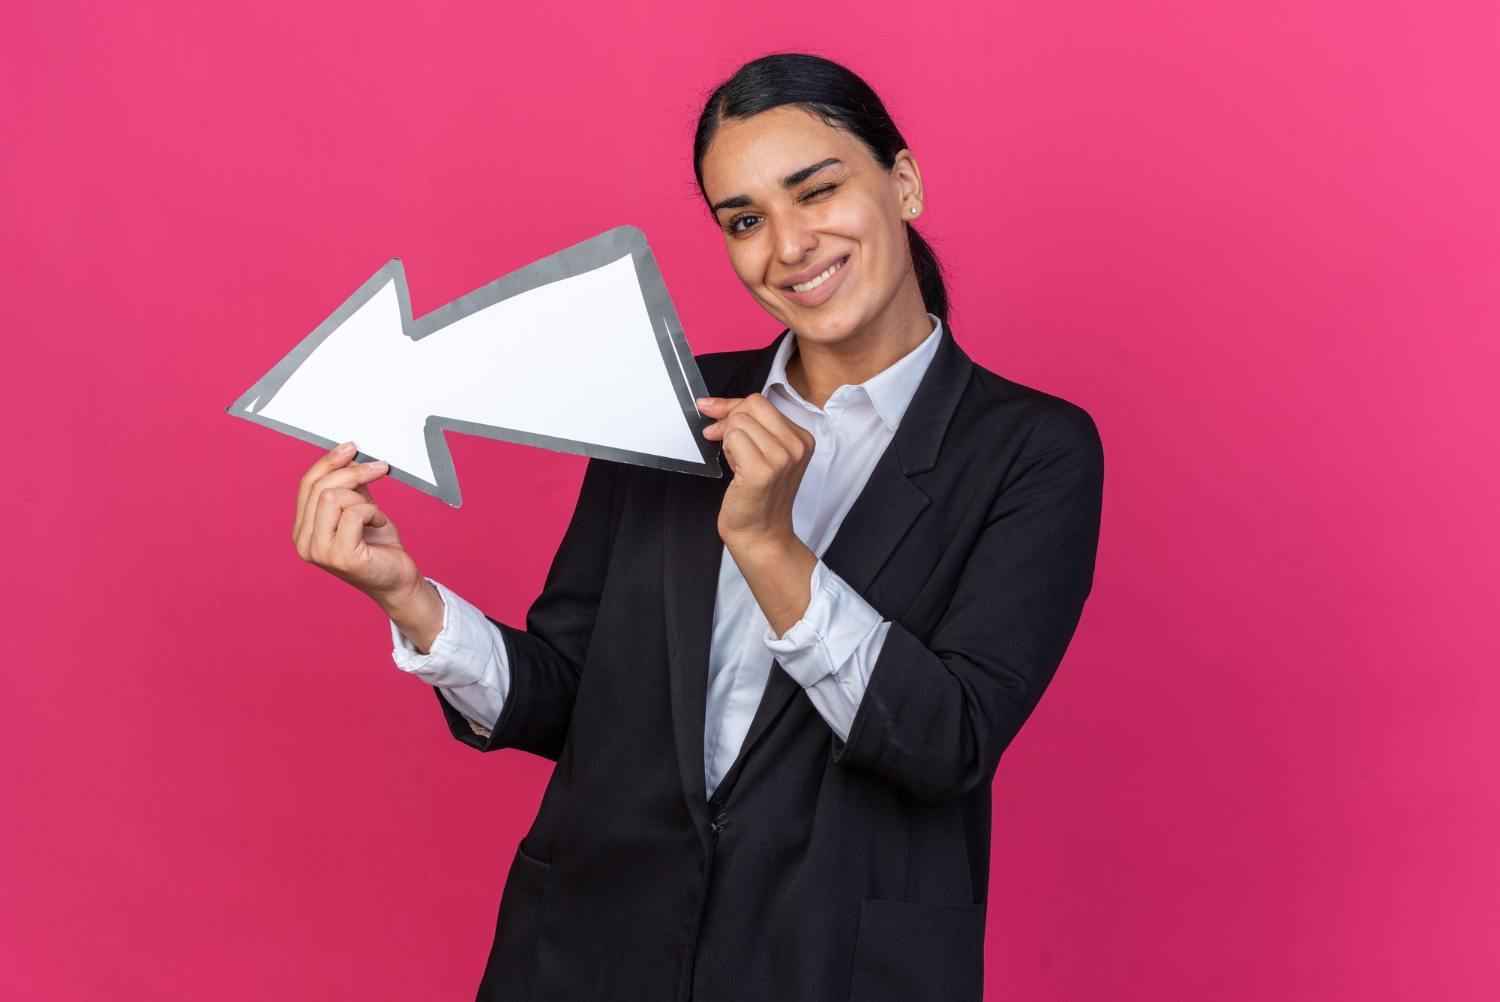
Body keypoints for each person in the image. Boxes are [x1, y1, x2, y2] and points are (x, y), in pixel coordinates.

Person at [292, 52, 1103, 1002]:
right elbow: (572, 699)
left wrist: (768, 546)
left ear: (905, 183)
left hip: (831, 963)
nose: (789, 245)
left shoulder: (1031, 449)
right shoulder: (671, 405)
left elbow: (947, 742)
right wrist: (411, 600)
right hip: (591, 949)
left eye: (818, 191)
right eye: (746, 221)